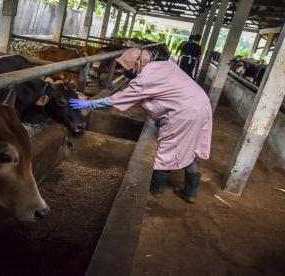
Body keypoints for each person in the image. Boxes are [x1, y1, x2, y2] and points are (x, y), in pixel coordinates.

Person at [69, 48, 212, 203]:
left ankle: (157, 189)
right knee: (188, 147)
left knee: (167, 150)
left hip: (184, 113)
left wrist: (89, 102)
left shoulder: (144, 80)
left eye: (127, 67)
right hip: (201, 104)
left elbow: (116, 100)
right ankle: (190, 192)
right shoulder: (165, 65)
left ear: (137, 64)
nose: (125, 71)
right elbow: (168, 93)